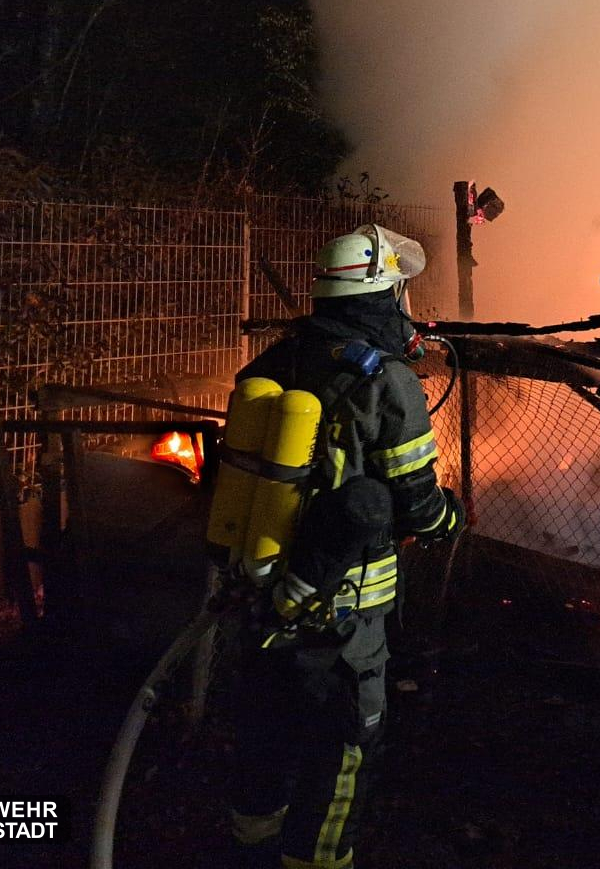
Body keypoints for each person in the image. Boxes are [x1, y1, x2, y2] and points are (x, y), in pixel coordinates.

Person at [227, 224, 460, 869]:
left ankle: (250, 845)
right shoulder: (385, 378)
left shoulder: (281, 357)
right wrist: (448, 520)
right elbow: (415, 498)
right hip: (341, 607)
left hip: (261, 587)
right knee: (345, 746)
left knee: (267, 727)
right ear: (383, 293)